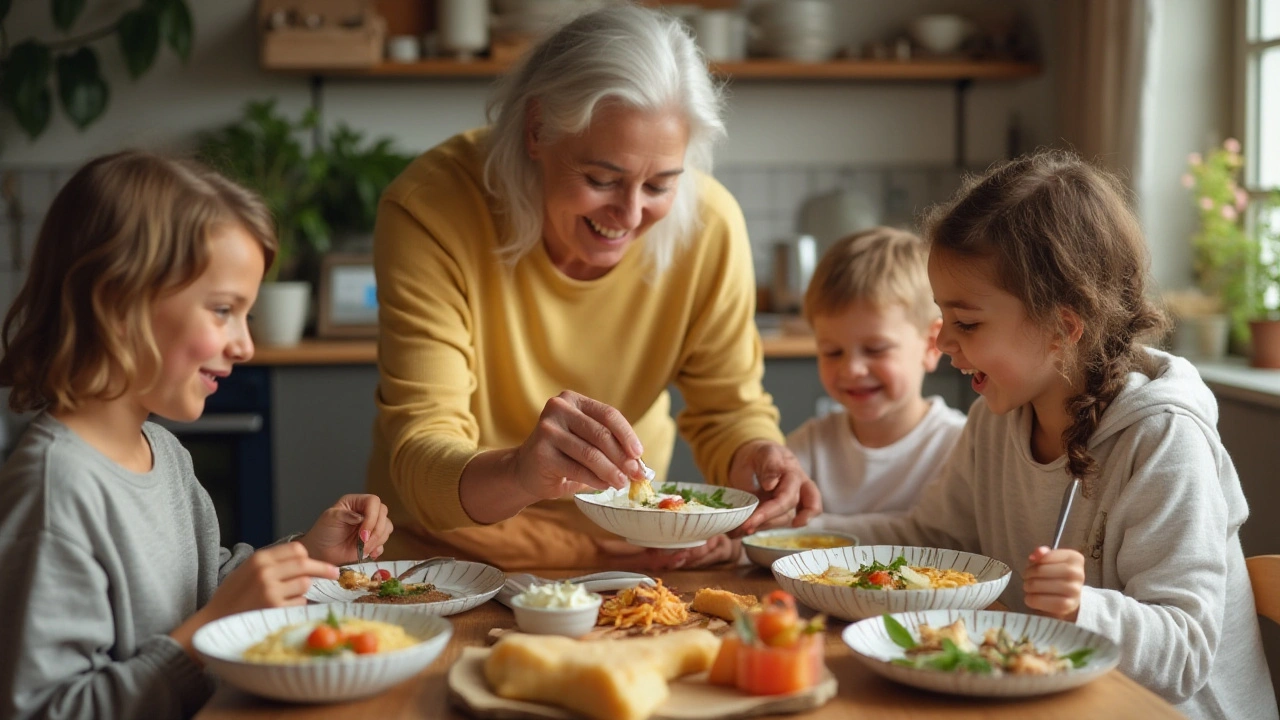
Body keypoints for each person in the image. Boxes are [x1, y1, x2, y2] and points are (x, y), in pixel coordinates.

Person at [821, 151, 1277, 719]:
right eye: (943, 319)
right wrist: (796, 536)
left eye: (966, 323)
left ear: (1063, 327)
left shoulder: (1164, 441)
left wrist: (1082, 609)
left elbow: (1184, 656)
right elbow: (932, 538)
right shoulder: (997, 415)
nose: (943, 345)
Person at [366, 4, 820, 570]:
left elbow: (727, 408)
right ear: (537, 131)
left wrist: (758, 453)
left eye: (659, 184)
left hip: (633, 558)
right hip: (447, 561)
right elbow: (420, 456)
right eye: (601, 179)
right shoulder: (432, 209)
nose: (629, 214)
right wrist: (521, 472)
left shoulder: (710, 226)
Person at [0, 151, 394, 719]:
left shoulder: (164, 453)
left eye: (247, 315)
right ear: (119, 301)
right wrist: (209, 631)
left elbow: (204, 592)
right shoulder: (56, 491)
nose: (245, 345)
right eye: (222, 310)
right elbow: (47, 709)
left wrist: (306, 554)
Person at [786, 227, 966, 522]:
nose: (852, 369)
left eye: (875, 349)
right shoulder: (809, 447)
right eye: (832, 352)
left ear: (931, 346)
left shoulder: (959, 446)